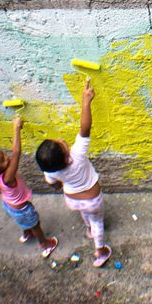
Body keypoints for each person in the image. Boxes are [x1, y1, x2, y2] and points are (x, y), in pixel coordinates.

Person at [35, 79, 111, 268]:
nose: (60, 139)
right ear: (66, 153)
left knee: (86, 216)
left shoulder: (51, 170)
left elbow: (52, 184)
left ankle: (88, 230)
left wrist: (60, 184)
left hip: (72, 200)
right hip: (92, 200)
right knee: (97, 222)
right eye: (60, 143)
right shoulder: (77, 156)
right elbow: (85, 129)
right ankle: (100, 250)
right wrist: (86, 102)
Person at [0, 118, 58, 258]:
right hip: (22, 209)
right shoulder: (7, 177)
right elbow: (16, 152)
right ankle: (45, 245)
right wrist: (16, 128)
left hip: (10, 206)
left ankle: (26, 234)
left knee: (25, 223)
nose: (6, 158)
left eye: (3, 154)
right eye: (2, 160)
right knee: (35, 224)